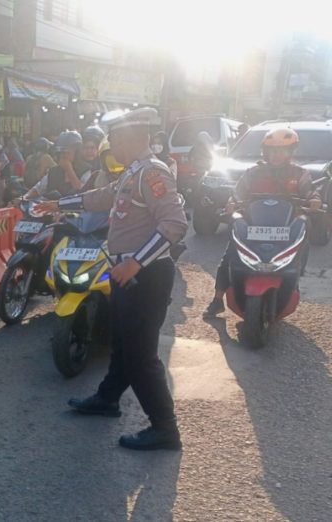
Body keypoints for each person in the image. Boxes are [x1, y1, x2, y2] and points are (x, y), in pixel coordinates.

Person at [34, 108, 188, 451]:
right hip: (124, 273)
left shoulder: (153, 173)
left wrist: (135, 262)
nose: (109, 144)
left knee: (141, 355)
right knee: (122, 341)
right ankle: (108, 399)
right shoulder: (134, 171)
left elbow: (175, 225)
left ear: (135, 138)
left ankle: (165, 427)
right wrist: (58, 204)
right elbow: (101, 197)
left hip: (144, 277)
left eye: (114, 138)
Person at [203, 127, 321, 317]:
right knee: (229, 257)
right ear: (265, 152)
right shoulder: (252, 172)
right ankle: (217, 300)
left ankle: (295, 278)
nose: (276, 155)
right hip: (253, 226)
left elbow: (310, 191)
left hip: (285, 228)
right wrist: (231, 203)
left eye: (282, 150)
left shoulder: (300, 173)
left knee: (303, 236)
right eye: (272, 150)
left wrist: (315, 200)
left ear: (291, 152)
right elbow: (237, 193)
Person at [23, 131, 83, 199]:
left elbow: (83, 194)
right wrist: (23, 197)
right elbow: (38, 189)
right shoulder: (53, 172)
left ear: (77, 153)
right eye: (61, 153)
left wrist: (69, 170)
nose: (64, 156)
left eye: (67, 152)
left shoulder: (85, 171)